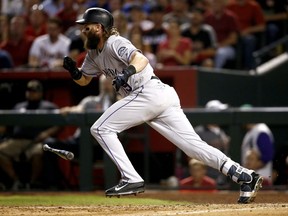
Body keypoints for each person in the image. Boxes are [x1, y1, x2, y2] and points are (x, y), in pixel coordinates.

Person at [62, 7, 263, 204]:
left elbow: (140, 58)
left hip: (148, 92)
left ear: (98, 27)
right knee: (194, 148)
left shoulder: (115, 42)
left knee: (100, 128)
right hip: (156, 96)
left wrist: (127, 73)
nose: (82, 30)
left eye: (86, 27)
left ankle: (131, 178)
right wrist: (75, 72)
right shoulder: (93, 54)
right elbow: (85, 80)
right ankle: (245, 176)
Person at [43, 75, 117, 189]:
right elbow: (78, 109)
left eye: (109, 83)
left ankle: (111, 186)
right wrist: (69, 109)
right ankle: (53, 185)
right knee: (50, 144)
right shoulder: (90, 101)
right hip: (79, 143)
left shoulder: (119, 102)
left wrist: (116, 95)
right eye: (104, 83)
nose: (106, 85)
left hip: (101, 147)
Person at [0, 80, 60, 190]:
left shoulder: (48, 106)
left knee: (38, 152)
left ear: (40, 92)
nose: (30, 93)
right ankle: (16, 180)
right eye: (29, 91)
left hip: (36, 141)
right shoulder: (19, 106)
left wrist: (46, 133)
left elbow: (59, 124)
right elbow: (7, 125)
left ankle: (32, 183)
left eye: (34, 91)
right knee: (1, 150)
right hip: (16, 141)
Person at [194, 100, 230, 186]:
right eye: (219, 112)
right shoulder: (199, 131)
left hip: (224, 175)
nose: (221, 115)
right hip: (208, 176)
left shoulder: (222, 131)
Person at [227, 0, 266, 69]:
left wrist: (248, 30)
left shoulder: (254, 6)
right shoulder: (230, 5)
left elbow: (262, 27)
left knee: (250, 40)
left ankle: (248, 67)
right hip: (231, 34)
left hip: (246, 35)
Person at [204, 0, 240, 69]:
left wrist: (219, 46)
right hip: (211, 47)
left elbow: (233, 39)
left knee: (220, 53)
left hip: (227, 48)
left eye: (218, 2)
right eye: (214, 2)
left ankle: (216, 74)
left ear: (223, 4)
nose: (215, 5)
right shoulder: (208, 17)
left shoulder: (230, 17)